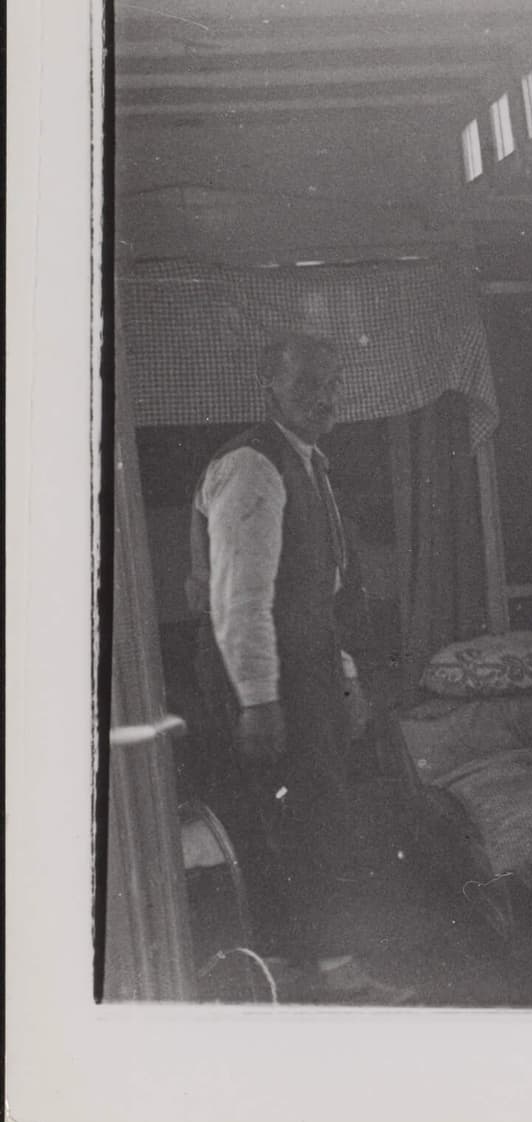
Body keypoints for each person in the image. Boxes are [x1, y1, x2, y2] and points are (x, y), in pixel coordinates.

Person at [189, 332, 414, 1004]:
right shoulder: (255, 468)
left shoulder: (307, 462)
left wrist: (342, 675)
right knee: (303, 818)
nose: (324, 398)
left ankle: (314, 963)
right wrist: (258, 699)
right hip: (266, 677)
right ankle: (331, 973)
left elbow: (322, 590)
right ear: (270, 385)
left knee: (312, 814)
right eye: (307, 383)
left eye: (332, 382)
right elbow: (240, 599)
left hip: (304, 668)